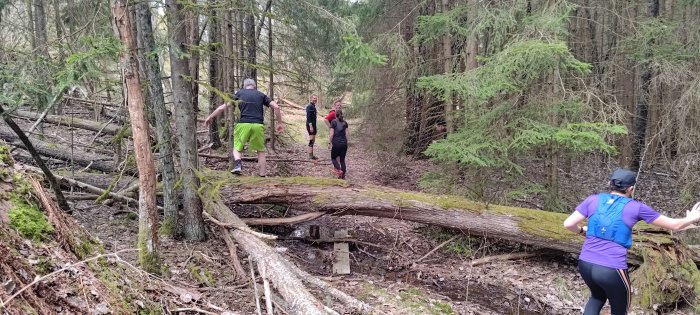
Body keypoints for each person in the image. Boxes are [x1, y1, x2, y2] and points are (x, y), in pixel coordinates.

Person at [563, 168, 700, 315]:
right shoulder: (636, 207)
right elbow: (675, 225)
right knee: (620, 311)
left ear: (610, 183)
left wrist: (582, 231)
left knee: (596, 298)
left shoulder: (593, 199)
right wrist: (691, 218)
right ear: (631, 189)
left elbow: (568, 224)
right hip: (611, 269)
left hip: (585, 264)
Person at [204, 78, 284, 176]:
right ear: (254, 86)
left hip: (243, 124)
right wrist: (279, 123)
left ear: (244, 86)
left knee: (237, 148)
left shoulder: (239, 93)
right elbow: (276, 107)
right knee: (260, 151)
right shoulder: (261, 95)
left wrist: (210, 117)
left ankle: (238, 164)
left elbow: (222, 108)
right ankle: (262, 177)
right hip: (258, 125)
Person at [328, 109, 348, 179]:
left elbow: (331, 134)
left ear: (335, 115)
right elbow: (347, 135)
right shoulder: (345, 123)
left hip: (336, 144)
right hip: (344, 144)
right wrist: (345, 143)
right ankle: (343, 176)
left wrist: (329, 142)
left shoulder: (333, 122)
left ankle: (339, 170)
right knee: (342, 160)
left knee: (333, 158)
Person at [305, 95, 319, 160]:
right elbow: (308, 117)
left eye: (316, 98)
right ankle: (310, 155)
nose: (315, 99)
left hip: (314, 125)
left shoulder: (313, 106)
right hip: (310, 125)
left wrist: (314, 126)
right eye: (314, 98)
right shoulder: (309, 106)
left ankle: (312, 155)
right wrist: (311, 126)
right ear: (311, 99)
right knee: (311, 140)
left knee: (313, 140)